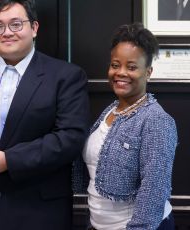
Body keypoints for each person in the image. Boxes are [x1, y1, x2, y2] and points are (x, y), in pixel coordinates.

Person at [0, 0, 90, 229]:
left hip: (36, 211)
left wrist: (10, 161)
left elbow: (70, 137)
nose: (7, 32)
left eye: (16, 24)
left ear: (34, 28)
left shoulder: (65, 76)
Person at [73, 23, 177, 230]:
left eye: (131, 67)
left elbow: (154, 188)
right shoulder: (111, 111)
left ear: (148, 72)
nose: (120, 73)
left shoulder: (156, 120)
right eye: (115, 65)